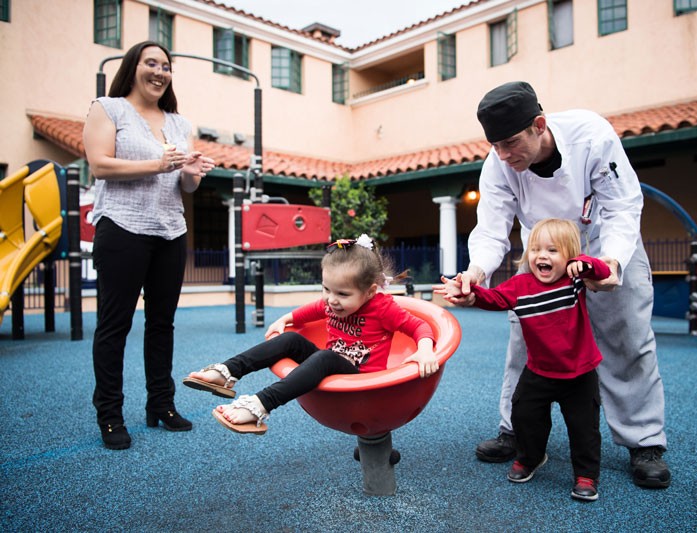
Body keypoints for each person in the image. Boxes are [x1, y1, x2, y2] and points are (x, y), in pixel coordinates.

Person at [446, 81, 671, 488]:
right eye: (495, 145)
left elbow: (622, 205)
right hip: (545, 250)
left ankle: (644, 442)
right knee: (525, 336)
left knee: (628, 339)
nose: (503, 154)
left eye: (511, 143)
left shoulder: (592, 134)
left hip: (603, 241)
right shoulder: (498, 163)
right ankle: (516, 431)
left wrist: (613, 263)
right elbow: (493, 227)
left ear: (539, 125)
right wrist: (475, 272)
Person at [83, 41, 216, 450]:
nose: (159, 72)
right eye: (151, 63)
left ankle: (161, 404)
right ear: (134, 67)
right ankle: (110, 416)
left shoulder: (179, 123)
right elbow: (99, 165)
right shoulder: (108, 108)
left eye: (166, 66)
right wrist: (158, 163)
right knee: (114, 325)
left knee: (162, 324)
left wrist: (192, 173)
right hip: (122, 228)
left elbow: (183, 184)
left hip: (170, 231)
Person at [183, 234, 440, 434]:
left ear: (370, 291)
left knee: (326, 357)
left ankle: (261, 405)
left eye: (343, 294)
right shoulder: (330, 302)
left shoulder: (382, 307)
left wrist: (425, 349)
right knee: (291, 340)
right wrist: (287, 318)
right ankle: (228, 372)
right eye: (326, 289)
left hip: (361, 381)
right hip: (332, 364)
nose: (331, 300)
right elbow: (312, 310)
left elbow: (419, 326)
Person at [439, 218, 612, 501]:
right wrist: (469, 294)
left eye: (553, 251)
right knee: (524, 415)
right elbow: (493, 298)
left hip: (579, 373)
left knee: (584, 428)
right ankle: (531, 457)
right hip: (539, 371)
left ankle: (586, 474)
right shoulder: (521, 285)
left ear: (569, 258)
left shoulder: (574, 281)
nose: (542, 256)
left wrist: (586, 264)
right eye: (536, 250)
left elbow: (603, 270)